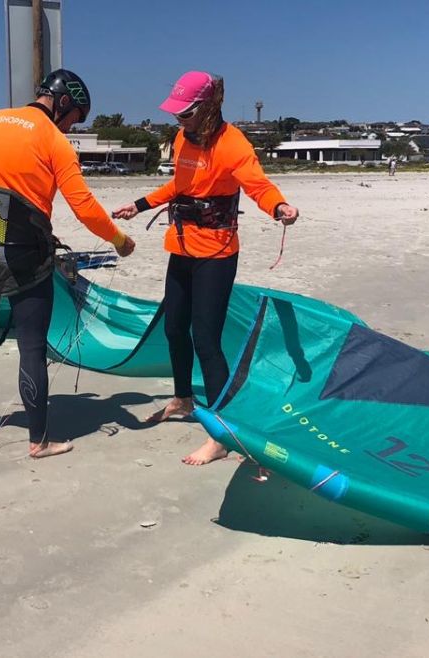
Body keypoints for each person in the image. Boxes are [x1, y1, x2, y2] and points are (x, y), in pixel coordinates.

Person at [112, 71, 299, 465]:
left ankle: (221, 432)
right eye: (176, 114)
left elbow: (258, 185)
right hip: (181, 246)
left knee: (206, 339)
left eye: (186, 113)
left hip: (216, 252)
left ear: (208, 107)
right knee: (174, 327)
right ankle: (182, 398)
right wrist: (140, 204)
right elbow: (178, 187)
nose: (178, 121)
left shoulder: (233, 144)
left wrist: (279, 207)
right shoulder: (182, 138)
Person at [0, 69, 136, 459]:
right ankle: (39, 441)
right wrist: (119, 240)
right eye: (75, 118)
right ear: (64, 101)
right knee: (32, 347)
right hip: (23, 249)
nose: (71, 127)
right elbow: (84, 207)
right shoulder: (54, 140)